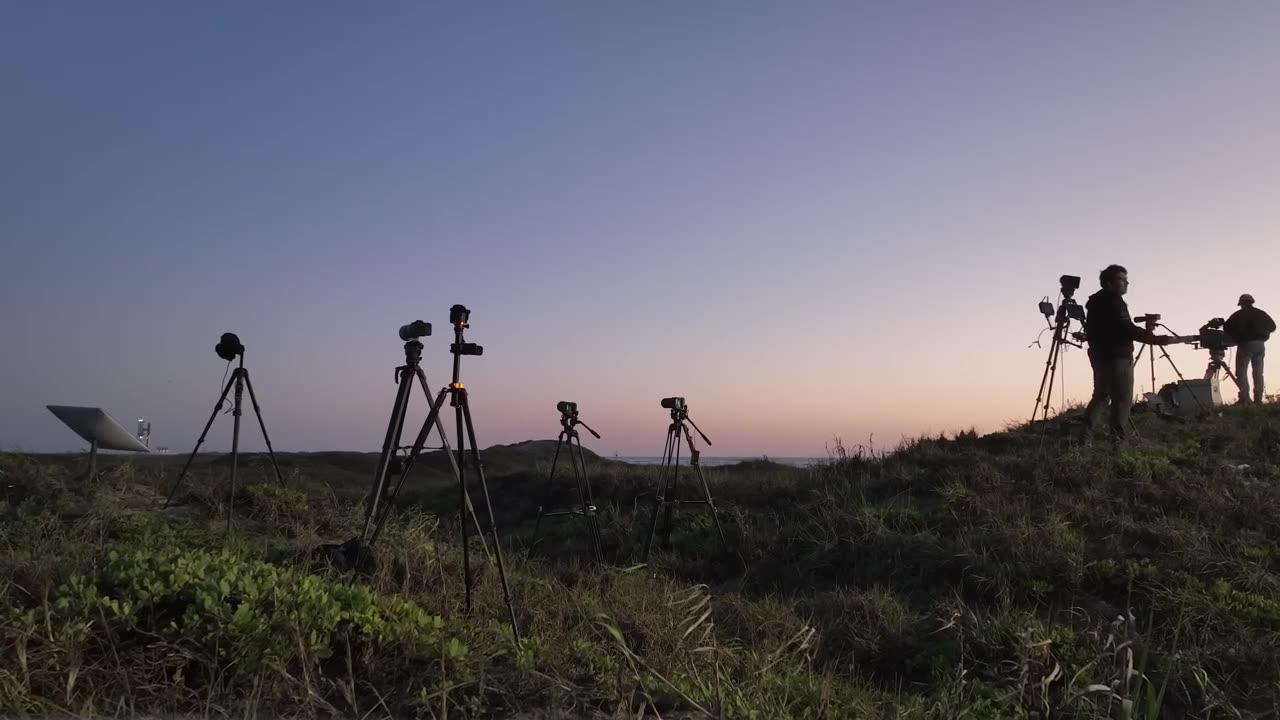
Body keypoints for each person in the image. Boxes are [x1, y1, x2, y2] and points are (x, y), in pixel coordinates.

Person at [1081, 265, 1171, 440]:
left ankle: (1085, 439)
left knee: (1100, 396)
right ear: (1108, 283)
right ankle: (1118, 441)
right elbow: (1127, 328)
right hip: (1117, 357)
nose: (1126, 283)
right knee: (1122, 400)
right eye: (1122, 279)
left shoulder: (1095, 302)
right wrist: (1154, 338)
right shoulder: (1114, 301)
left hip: (1099, 355)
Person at [1224, 293, 1275, 404]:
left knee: (1241, 372)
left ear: (1241, 303)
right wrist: (1262, 333)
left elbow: (1226, 327)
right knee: (1258, 373)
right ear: (1252, 302)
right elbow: (1273, 326)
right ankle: (1258, 399)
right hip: (1260, 344)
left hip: (1246, 344)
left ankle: (1244, 398)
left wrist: (1237, 336)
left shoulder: (1238, 315)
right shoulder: (1261, 314)